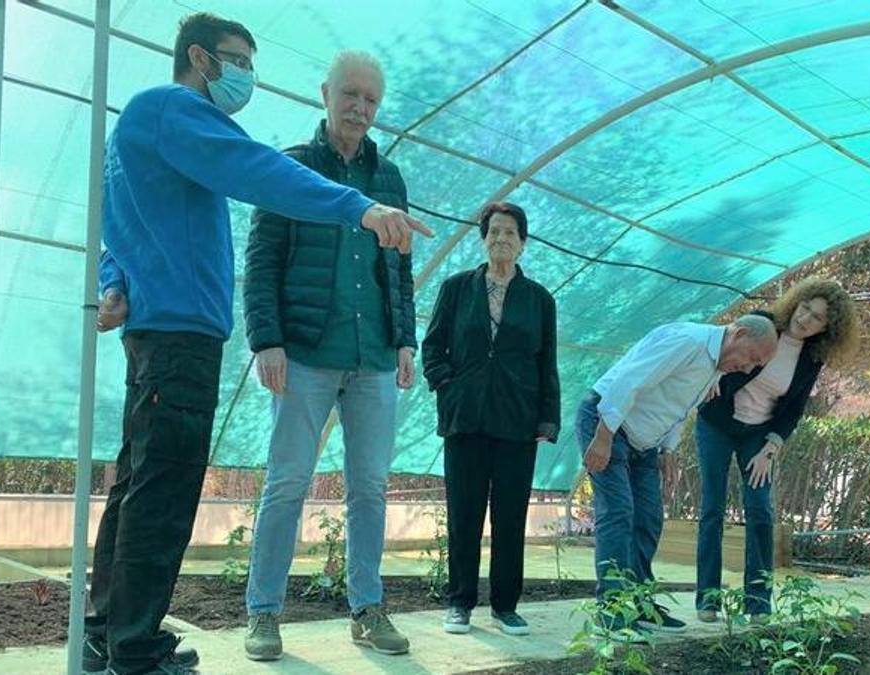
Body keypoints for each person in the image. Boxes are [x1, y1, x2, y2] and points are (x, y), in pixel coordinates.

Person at [88, 14, 430, 675]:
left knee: (138, 483)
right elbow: (256, 170)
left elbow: (117, 214)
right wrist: (357, 208)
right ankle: (135, 647)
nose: (246, 74)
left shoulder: (143, 125)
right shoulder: (174, 109)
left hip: (164, 328)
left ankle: (108, 629)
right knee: (162, 493)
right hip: (182, 331)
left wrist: (114, 280)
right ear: (199, 57)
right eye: (237, 60)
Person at [242, 50, 418, 660]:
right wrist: (267, 340)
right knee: (287, 483)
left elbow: (400, 267)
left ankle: (368, 609)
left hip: (373, 358)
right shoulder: (291, 168)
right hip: (307, 354)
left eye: (371, 100)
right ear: (325, 93)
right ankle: (263, 613)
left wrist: (405, 339)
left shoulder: (390, 179)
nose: (360, 109)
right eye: (351, 95)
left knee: (369, 488)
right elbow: (261, 261)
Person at [575, 315, 778, 636]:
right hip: (606, 422)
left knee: (650, 518)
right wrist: (603, 435)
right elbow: (631, 379)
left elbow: (680, 408)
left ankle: (638, 602)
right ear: (738, 334)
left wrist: (668, 450)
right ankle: (612, 611)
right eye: (752, 358)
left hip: (645, 442)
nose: (749, 368)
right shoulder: (688, 341)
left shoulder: (715, 367)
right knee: (618, 513)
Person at [422, 202, 560, 637]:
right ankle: (460, 602)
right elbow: (433, 345)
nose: (501, 239)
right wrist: (448, 384)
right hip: (465, 417)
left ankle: (505, 605)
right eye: (494, 232)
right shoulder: (456, 287)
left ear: (523, 243)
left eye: (510, 233)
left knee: (509, 515)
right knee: (463, 513)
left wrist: (547, 419)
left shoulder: (539, 299)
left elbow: (547, 362)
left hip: (517, 421)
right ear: (483, 239)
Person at [694, 280, 858, 621]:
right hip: (717, 425)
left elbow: (793, 409)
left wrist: (772, 447)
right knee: (712, 509)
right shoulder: (761, 322)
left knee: (761, 511)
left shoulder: (812, 359)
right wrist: (707, 379)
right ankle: (708, 600)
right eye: (805, 309)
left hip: (759, 434)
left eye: (817, 319)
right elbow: (719, 350)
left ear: (827, 329)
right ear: (795, 303)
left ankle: (758, 603)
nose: (805, 319)